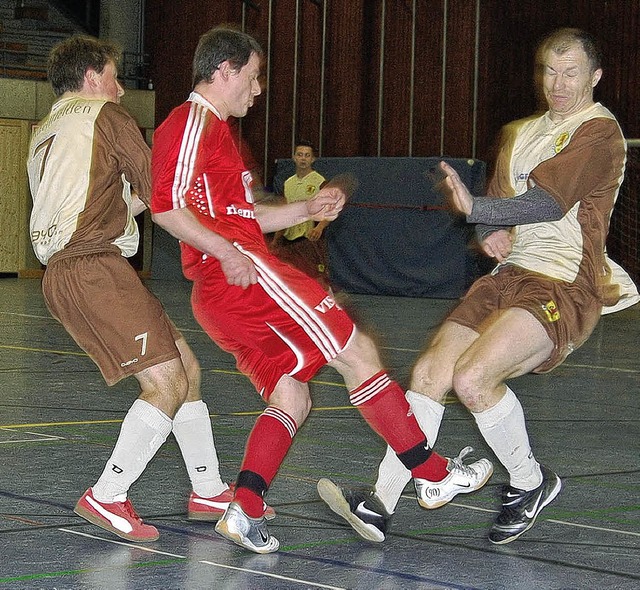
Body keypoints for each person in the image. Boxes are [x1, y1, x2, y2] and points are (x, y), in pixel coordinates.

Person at [150, 25, 493, 554]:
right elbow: (167, 208)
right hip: (241, 279)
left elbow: (245, 218)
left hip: (223, 295)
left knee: (293, 393)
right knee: (355, 350)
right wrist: (226, 252)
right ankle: (429, 472)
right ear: (224, 72)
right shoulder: (194, 121)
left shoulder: (219, 137)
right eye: (254, 76)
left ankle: (246, 507)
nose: (258, 89)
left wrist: (306, 210)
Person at [318, 27, 639, 545]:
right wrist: (489, 231)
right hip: (507, 277)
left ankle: (530, 483)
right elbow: (498, 200)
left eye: (571, 73)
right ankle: (382, 503)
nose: (557, 83)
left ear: (595, 77)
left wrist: (479, 212)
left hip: (562, 281)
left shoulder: (599, 132)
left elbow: (547, 204)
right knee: (427, 373)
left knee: (472, 379)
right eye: (549, 71)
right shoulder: (521, 132)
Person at [26, 35, 261, 543]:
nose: (121, 91)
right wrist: (223, 210)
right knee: (167, 384)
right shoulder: (103, 117)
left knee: (187, 369)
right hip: (93, 267)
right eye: (114, 77)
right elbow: (161, 188)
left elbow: (112, 196)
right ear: (92, 78)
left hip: (78, 268)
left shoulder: (47, 129)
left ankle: (208, 488)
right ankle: (107, 494)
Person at [270, 141, 332, 290]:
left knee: (318, 278)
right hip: (290, 240)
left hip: (311, 238)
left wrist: (320, 228)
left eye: (307, 155)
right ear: (294, 157)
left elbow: (330, 209)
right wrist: (276, 239)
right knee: (291, 277)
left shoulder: (319, 181)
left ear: (312, 159)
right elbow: (285, 213)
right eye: (300, 155)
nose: (303, 158)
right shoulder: (288, 183)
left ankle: (330, 306)